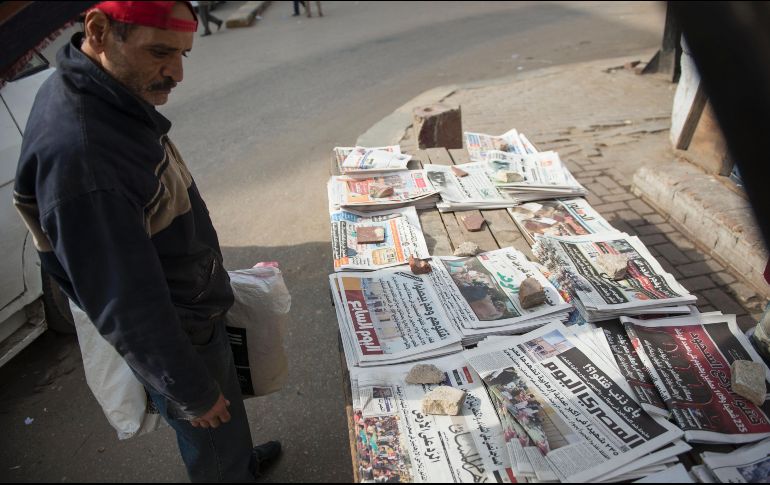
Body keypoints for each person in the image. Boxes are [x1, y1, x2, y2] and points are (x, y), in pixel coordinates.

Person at [13, 2, 280, 482]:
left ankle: (234, 459)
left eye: (183, 54)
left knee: (221, 412)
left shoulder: (101, 89)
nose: (176, 72)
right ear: (98, 30)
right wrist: (187, 389)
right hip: (174, 323)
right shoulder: (84, 156)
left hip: (188, 303)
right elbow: (124, 301)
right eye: (160, 51)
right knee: (208, 418)